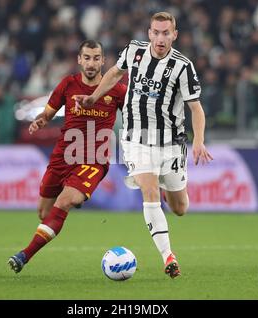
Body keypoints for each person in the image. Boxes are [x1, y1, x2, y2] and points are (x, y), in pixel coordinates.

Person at [76, 12, 213, 278]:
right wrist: (94, 97)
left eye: (166, 33)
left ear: (175, 35)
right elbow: (114, 74)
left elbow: (195, 108)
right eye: (156, 32)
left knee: (179, 208)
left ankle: (163, 185)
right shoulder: (134, 51)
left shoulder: (183, 67)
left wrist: (198, 140)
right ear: (149, 33)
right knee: (149, 191)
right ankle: (168, 257)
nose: (160, 38)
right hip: (136, 139)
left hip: (171, 144)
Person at [8, 40, 126, 273]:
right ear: (79, 60)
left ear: (103, 61)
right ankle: (74, 196)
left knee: (65, 201)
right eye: (87, 58)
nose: (91, 63)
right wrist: (41, 119)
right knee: (44, 213)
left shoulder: (117, 90)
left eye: (96, 58)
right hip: (63, 157)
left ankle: (24, 255)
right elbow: (49, 112)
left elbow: (134, 118)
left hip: (94, 160)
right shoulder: (68, 84)